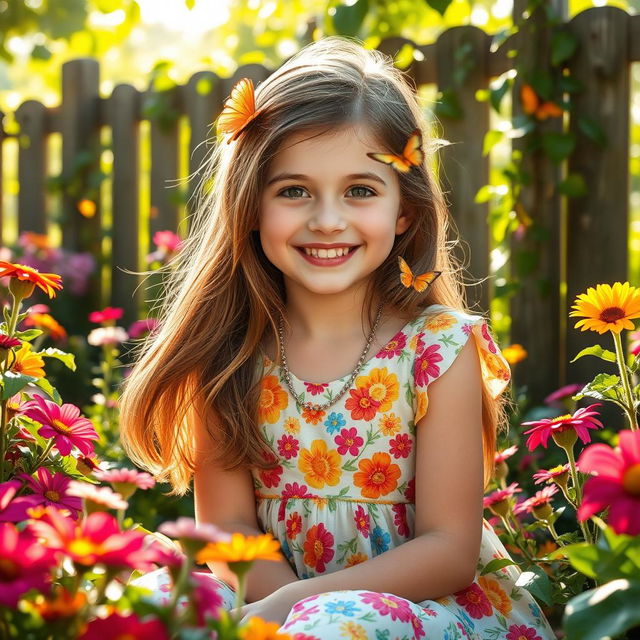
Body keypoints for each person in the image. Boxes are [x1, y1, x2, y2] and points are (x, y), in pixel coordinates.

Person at [120, 36, 557, 639]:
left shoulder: (438, 350)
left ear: (403, 209)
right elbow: (228, 534)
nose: (327, 219)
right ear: (250, 205)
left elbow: (450, 549)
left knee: (333, 624)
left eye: (360, 190)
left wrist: (303, 607)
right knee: (148, 597)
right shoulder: (226, 353)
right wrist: (274, 619)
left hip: (422, 609)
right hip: (268, 599)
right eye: (294, 190)